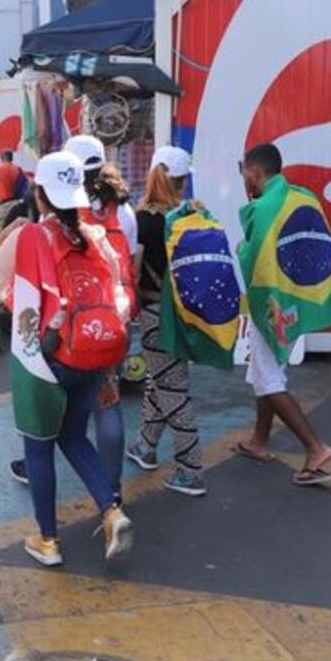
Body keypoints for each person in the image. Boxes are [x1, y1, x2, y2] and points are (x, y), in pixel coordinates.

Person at [9, 151, 133, 567]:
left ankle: (48, 540)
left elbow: (26, 307)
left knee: (39, 447)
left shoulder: (33, 235)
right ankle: (111, 508)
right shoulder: (95, 235)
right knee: (74, 435)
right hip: (94, 353)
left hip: (51, 356)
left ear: (40, 193)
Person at [235, 143, 331, 486]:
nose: (246, 184)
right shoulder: (303, 197)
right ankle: (259, 441)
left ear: (254, 173)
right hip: (297, 300)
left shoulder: (264, 206)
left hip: (272, 305)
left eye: (246, 177)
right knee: (267, 369)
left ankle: (315, 448)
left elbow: (251, 257)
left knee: (268, 377)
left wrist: (242, 248)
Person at [124, 146, 208, 496]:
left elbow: (133, 271)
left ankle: (191, 470)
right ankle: (145, 445)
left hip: (156, 315)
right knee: (160, 380)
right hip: (187, 313)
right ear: (181, 181)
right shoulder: (192, 215)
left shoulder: (143, 221)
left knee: (173, 389)